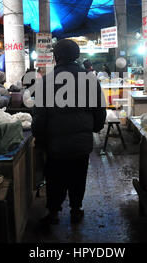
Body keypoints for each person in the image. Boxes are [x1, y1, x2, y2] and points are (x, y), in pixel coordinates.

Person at [31, 39, 106, 226]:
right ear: (77, 56)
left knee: (55, 178)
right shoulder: (90, 80)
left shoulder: (46, 82)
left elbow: (39, 117)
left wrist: (39, 139)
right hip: (81, 142)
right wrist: (93, 128)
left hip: (55, 143)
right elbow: (100, 111)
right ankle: (75, 210)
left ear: (56, 57)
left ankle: (54, 212)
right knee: (78, 176)